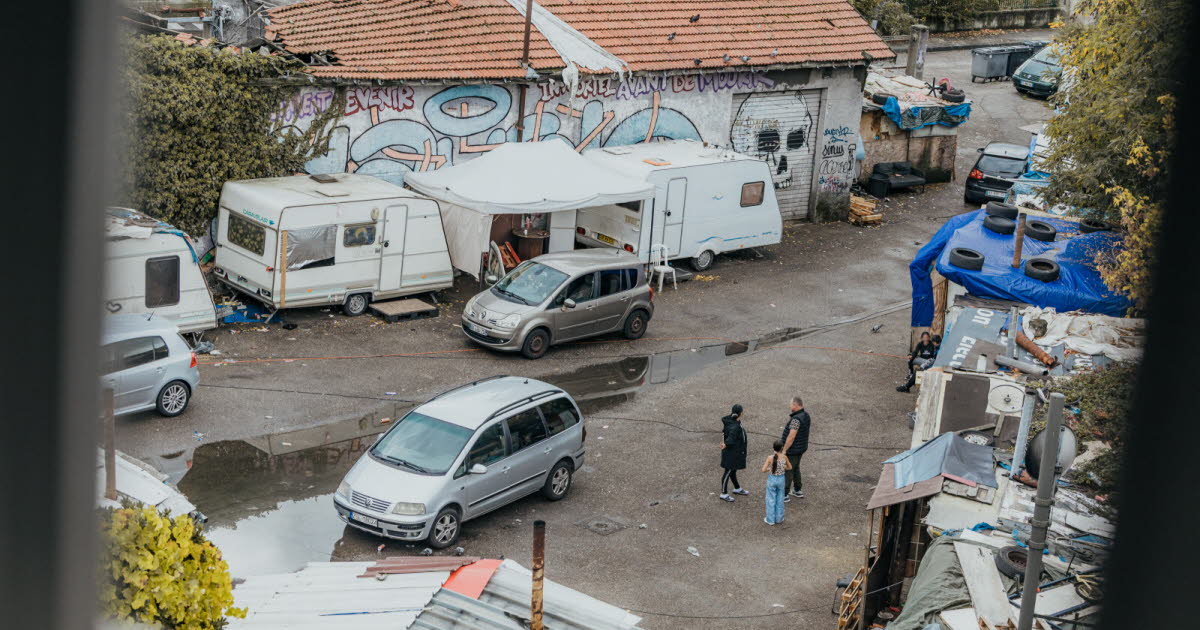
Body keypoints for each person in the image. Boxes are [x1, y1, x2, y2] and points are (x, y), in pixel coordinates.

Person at [779, 396, 810, 501]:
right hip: (801, 448)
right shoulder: (805, 415)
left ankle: (784, 494)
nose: (789, 406)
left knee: (788, 470)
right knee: (795, 468)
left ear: (795, 406)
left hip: (793, 450)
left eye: (791, 404)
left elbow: (791, 436)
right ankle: (797, 490)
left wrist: (784, 450)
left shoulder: (796, 419)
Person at [718, 404, 748, 502]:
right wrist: (725, 444)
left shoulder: (732, 420)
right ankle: (723, 493)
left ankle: (737, 488)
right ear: (741, 413)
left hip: (734, 452)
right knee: (728, 472)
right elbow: (731, 438)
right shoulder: (735, 427)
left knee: (733, 471)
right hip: (732, 454)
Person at [761, 439, 791, 525]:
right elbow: (790, 467)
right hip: (781, 479)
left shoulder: (770, 458)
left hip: (772, 479)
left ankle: (770, 520)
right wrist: (782, 467)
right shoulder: (784, 457)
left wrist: (769, 469)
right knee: (780, 498)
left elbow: (763, 470)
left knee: (770, 499)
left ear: (773, 448)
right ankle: (779, 518)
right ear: (782, 448)